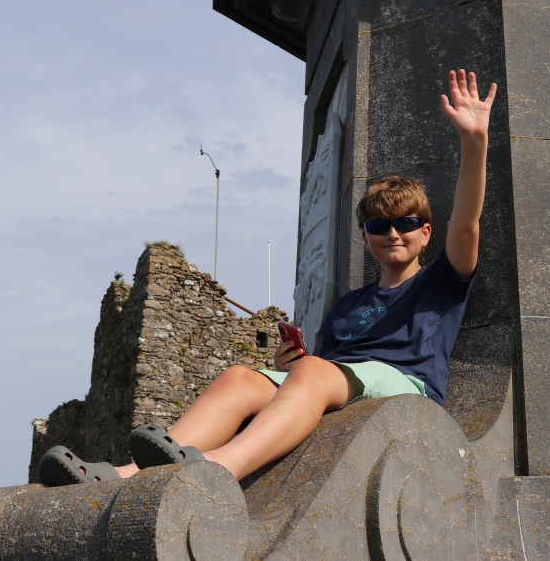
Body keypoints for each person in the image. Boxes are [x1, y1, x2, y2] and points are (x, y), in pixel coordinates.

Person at [39, 68, 496, 486]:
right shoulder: (346, 308)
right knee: (239, 377)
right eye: (379, 226)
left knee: (314, 371)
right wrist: (288, 368)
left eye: (406, 223)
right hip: (340, 383)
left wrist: (474, 141)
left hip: (405, 386)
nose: (392, 233)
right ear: (365, 237)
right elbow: (322, 374)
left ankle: (220, 466)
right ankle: (128, 474)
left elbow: (466, 226)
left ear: (425, 232)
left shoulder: (440, 282)